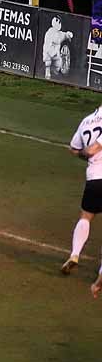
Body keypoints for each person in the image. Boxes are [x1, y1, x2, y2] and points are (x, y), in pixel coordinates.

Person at [61, 104, 102, 275]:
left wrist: (83, 155)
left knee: (86, 216)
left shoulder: (86, 121)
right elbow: (94, 149)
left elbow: (73, 148)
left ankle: (74, 254)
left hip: (93, 178)